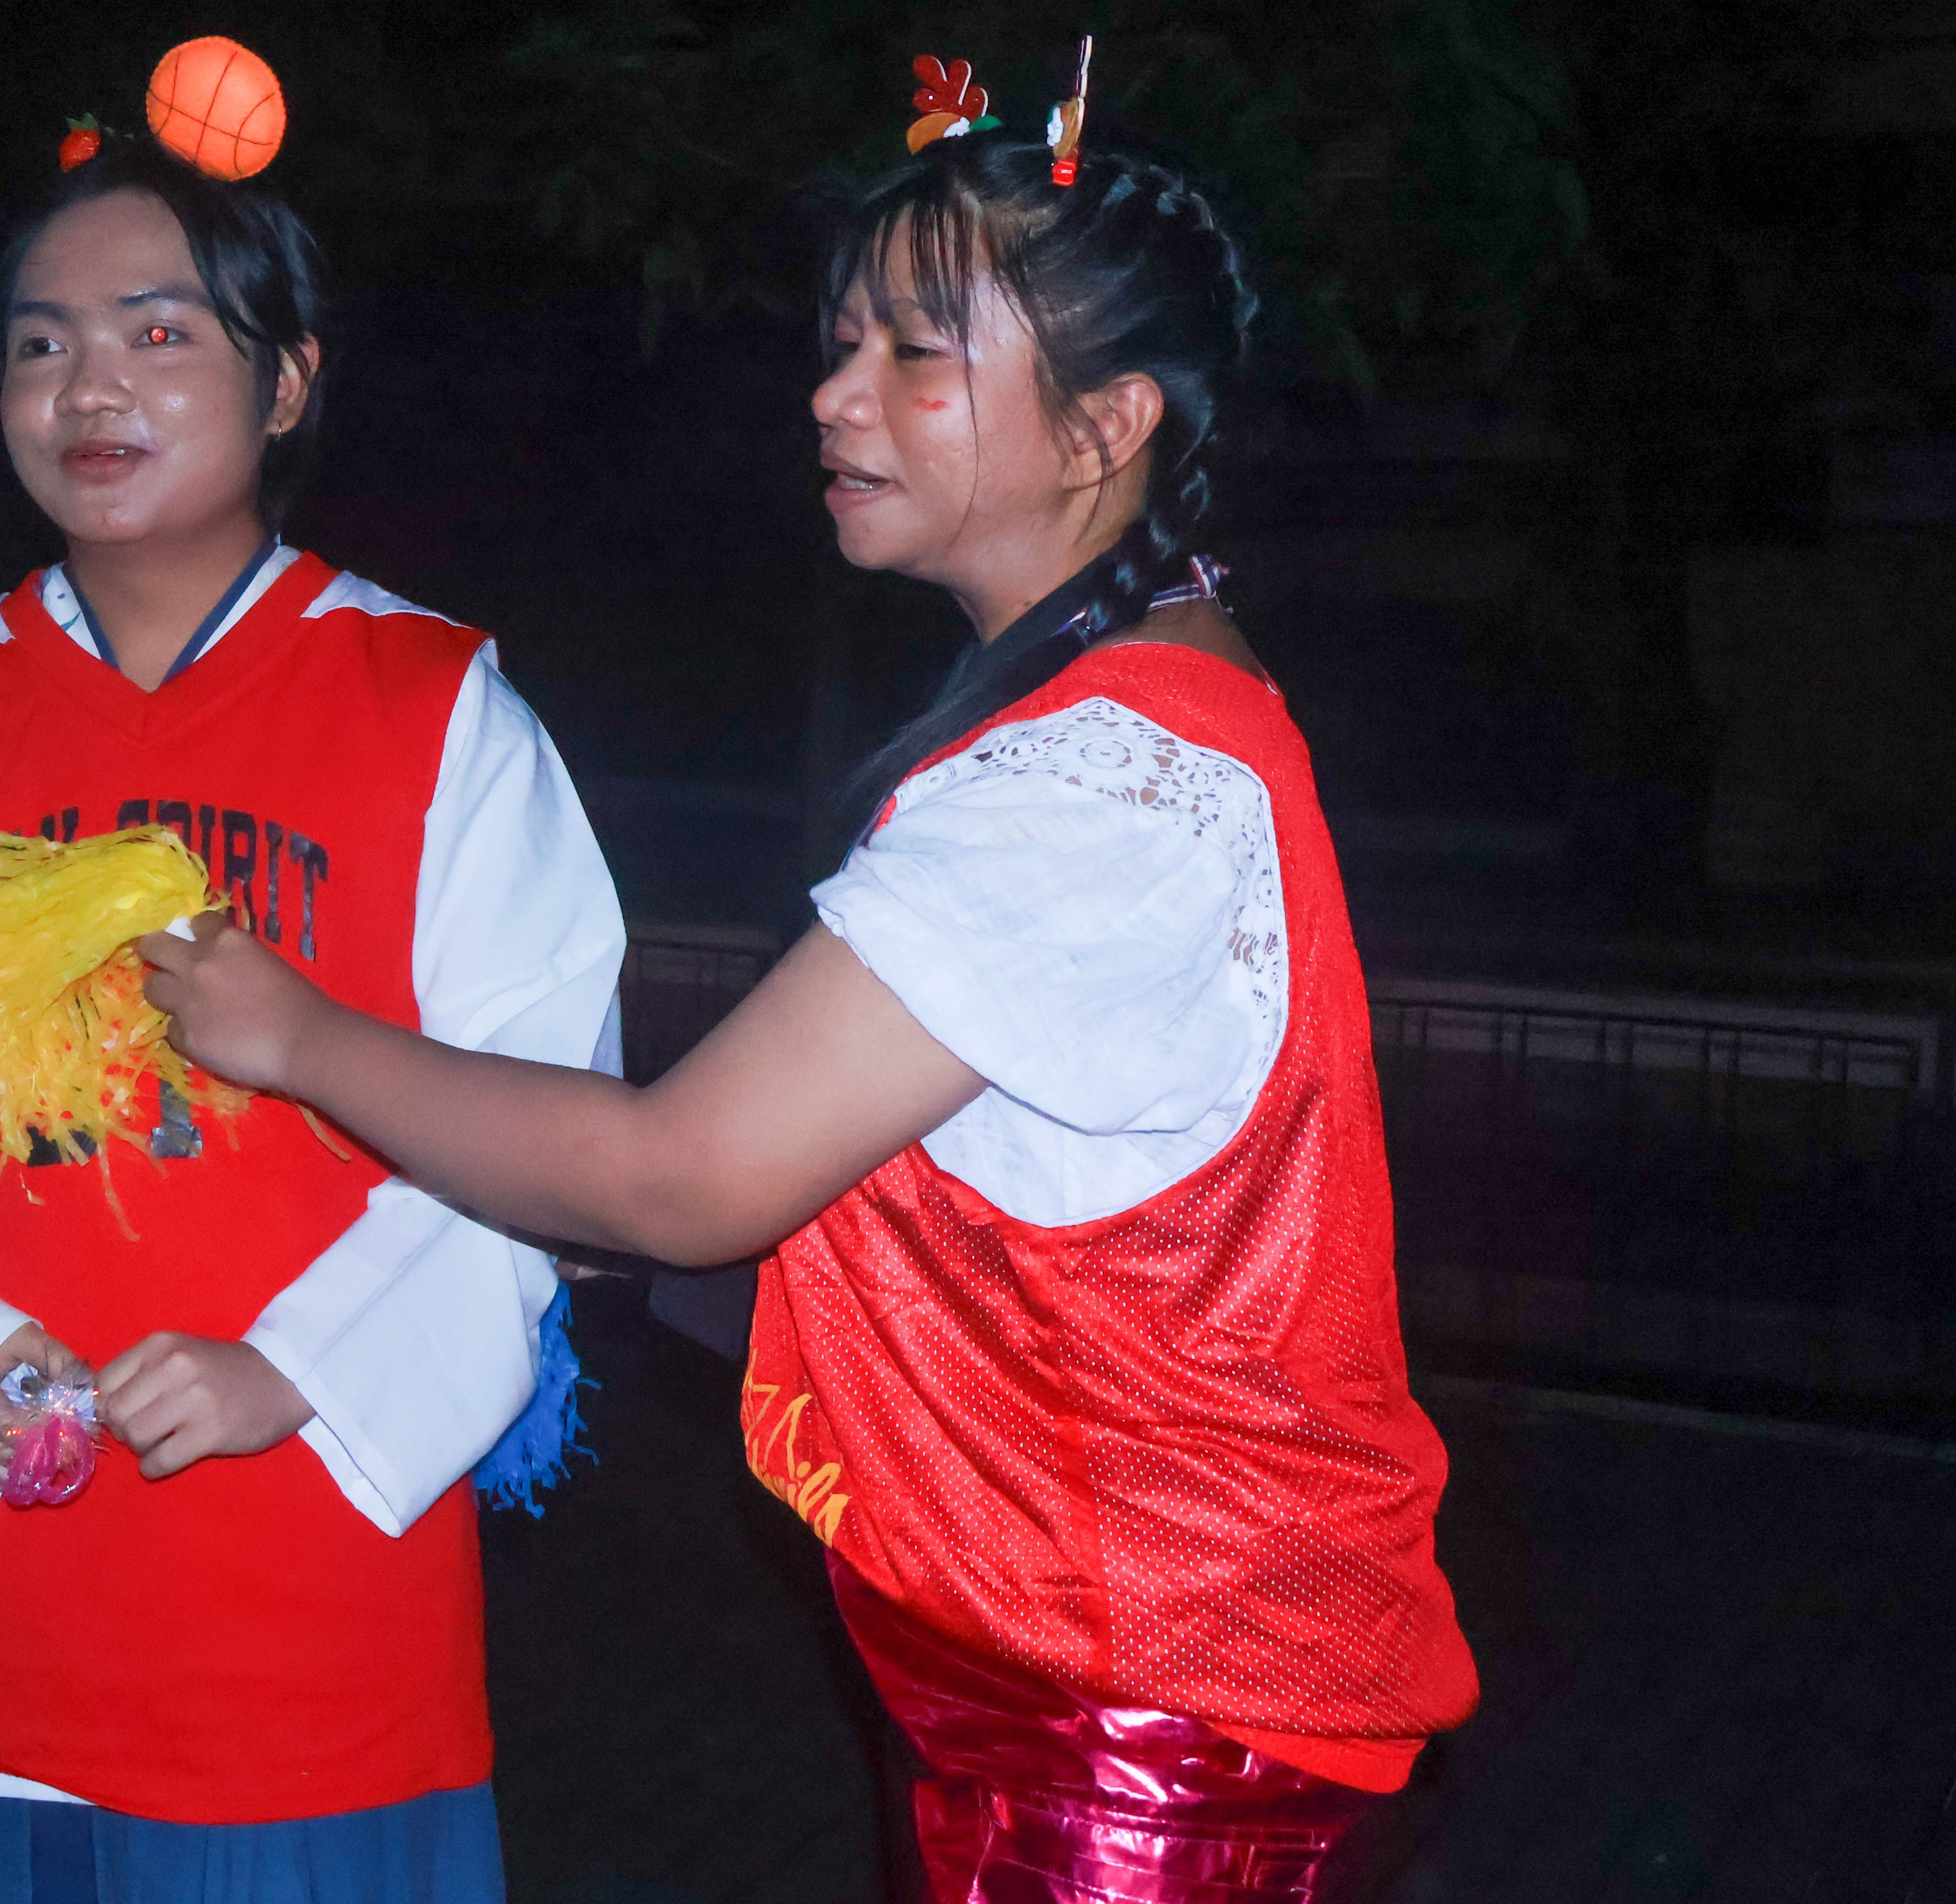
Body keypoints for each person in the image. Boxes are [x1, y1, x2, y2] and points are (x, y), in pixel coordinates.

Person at [141, 122, 1480, 1902]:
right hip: (1133, 1687)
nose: (838, 397)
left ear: (1108, 424)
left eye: (918, 352)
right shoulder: (1150, 695)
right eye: (844, 342)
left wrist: (294, 1035)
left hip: (1147, 1732)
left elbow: (681, 1177)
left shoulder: (1099, 783)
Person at [0, 122, 626, 1903]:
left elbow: (542, 1121)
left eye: (158, 334)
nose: (89, 388)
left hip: (308, 1649)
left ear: (286, 381)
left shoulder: (432, 705)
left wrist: (295, 1369)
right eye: (42, 342)